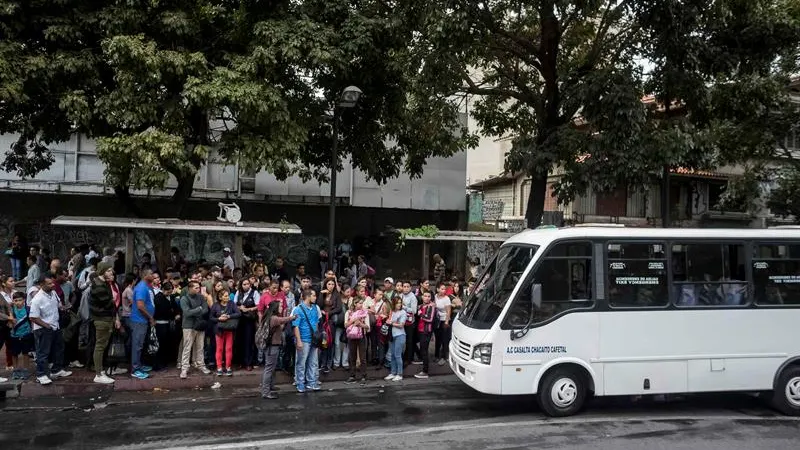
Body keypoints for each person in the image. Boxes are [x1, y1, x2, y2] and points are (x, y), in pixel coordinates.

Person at [29, 274, 72, 385]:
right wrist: (46, 325)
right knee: (43, 352)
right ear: (42, 284)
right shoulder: (37, 299)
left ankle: (56, 370)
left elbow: (58, 305)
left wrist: (63, 308)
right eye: (49, 283)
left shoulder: (53, 293)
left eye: (52, 283)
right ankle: (41, 375)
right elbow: (33, 317)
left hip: (55, 326)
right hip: (43, 329)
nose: (53, 285)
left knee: (59, 348)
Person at [89, 262, 122, 384]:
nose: (111, 272)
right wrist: (112, 300)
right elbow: (108, 304)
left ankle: (101, 371)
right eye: (108, 270)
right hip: (102, 319)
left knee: (101, 345)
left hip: (105, 318)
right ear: (102, 271)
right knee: (100, 346)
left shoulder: (103, 283)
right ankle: (98, 373)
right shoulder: (99, 286)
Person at [260, 300, 295, 399]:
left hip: (272, 346)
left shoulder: (270, 317)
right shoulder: (274, 318)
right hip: (272, 346)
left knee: (271, 368)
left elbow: (281, 325)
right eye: (279, 306)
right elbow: (283, 320)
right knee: (269, 368)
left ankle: (270, 387)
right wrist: (292, 317)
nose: (281, 307)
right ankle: (266, 392)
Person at [179, 280, 212, 379]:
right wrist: (199, 309)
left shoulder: (201, 297)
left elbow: (206, 309)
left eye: (199, 287)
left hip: (200, 325)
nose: (198, 289)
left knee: (200, 346)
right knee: (187, 347)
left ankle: (201, 365)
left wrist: (198, 310)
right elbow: (187, 313)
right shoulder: (184, 299)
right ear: (190, 288)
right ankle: (184, 369)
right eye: (196, 287)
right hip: (188, 326)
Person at [292, 289, 321, 393]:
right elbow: (296, 326)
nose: (315, 297)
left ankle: (311, 381)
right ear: (308, 296)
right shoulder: (298, 309)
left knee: (313, 361)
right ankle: (300, 382)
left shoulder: (314, 308)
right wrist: (298, 340)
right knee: (301, 362)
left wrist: (317, 336)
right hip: (303, 338)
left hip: (313, 339)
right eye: (313, 296)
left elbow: (316, 322)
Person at [130, 270, 156, 380]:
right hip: (139, 321)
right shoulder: (141, 287)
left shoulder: (146, 286)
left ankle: (139, 365)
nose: (153, 276)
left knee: (141, 344)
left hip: (142, 321)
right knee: (137, 345)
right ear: (145, 275)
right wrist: (150, 317)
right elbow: (140, 306)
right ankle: (135, 369)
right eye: (151, 274)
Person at [209, 287, 240, 376]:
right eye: (226, 296)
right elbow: (211, 318)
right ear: (220, 297)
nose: (228, 298)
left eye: (228, 296)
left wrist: (228, 316)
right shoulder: (215, 305)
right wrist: (219, 318)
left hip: (229, 329)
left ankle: (228, 367)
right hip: (219, 330)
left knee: (229, 348)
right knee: (219, 348)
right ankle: (219, 367)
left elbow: (238, 313)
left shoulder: (232, 304)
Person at [234, 278, 259, 370]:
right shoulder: (238, 293)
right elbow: (234, 304)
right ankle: (240, 362)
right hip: (240, 319)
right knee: (239, 340)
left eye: (247, 284)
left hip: (249, 320)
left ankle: (249, 363)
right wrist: (240, 307)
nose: (246, 286)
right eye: (244, 284)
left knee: (249, 341)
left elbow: (258, 305)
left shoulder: (255, 293)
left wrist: (248, 309)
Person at [319, 277, 342, 373]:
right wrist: (321, 294)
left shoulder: (336, 295)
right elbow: (319, 305)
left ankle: (329, 363)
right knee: (324, 342)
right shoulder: (323, 294)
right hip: (323, 321)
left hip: (331, 321)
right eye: (329, 284)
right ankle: (323, 363)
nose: (331, 286)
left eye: (332, 284)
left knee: (330, 342)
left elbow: (339, 308)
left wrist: (329, 313)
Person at [344, 296, 369, 385]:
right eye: (359, 303)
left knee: (363, 357)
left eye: (362, 303)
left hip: (362, 336)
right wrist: (353, 321)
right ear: (354, 304)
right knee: (352, 356)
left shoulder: (365, 313)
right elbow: (346, 325)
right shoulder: (348, 313)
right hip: (351, 336)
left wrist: (361, 324)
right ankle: (352, 376)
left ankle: (364, 376)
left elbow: (367, 326)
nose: (361, 305)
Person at [9, 292, 33, 380]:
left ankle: (26, 370)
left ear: (24, 300)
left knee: (25, 353)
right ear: (13, 301)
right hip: (14, 335)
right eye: (15, 300)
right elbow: (9, 322)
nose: (18, 302)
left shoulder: (28, 309)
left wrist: (31, 331)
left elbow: (32, 320)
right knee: (14, 354)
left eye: (20, 300)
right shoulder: (11, 310)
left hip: (26, 334)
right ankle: (15, 370)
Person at [414, 291, 436, 379]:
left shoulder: (432, 306)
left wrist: (421, 314)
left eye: (428, 296)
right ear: (422, 297)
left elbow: (430, 319)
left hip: (426, 331)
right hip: (420, 330)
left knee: (424, 350)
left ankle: (425, 371)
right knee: (412, 342)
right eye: (425, 296)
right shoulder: (422, 305)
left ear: (431, 298)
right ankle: (420, 358)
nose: (427, 298)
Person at [385, 297, 407, 382]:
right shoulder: (392, 312)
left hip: (400, 335)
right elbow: (389, 321)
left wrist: (392, 323)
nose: (399, 304)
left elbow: (401, 325)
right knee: (393, 355)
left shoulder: (403, 312)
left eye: (400, 302)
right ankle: (393, 372)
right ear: (393, 303)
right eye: (397, 302)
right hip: (392, 335)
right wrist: (388, 321)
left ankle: (399, 374)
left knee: (398, 355)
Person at [433, 282, 453, 366]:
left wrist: (446, 322)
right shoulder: (435, 297)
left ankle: (444, 357)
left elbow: (449, 311)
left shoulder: (447, 298)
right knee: (438, 339)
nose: (444, 290)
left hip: (445, 320)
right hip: (437, 320)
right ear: (437, 289)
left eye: (445, 289)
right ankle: (436, 355)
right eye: (442, 289)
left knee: (445, 339)